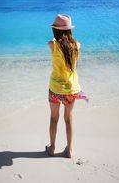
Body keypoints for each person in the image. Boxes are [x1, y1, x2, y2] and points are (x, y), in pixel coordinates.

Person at [45, 14, 89, 158]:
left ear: (55, 30)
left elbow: (52, 42)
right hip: (71, 89)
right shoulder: (77, 45)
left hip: (55, 89)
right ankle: (69, 150)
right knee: (68, 118)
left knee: (53, 118)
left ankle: (52, 148)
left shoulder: (52, 45)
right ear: (69, 30)